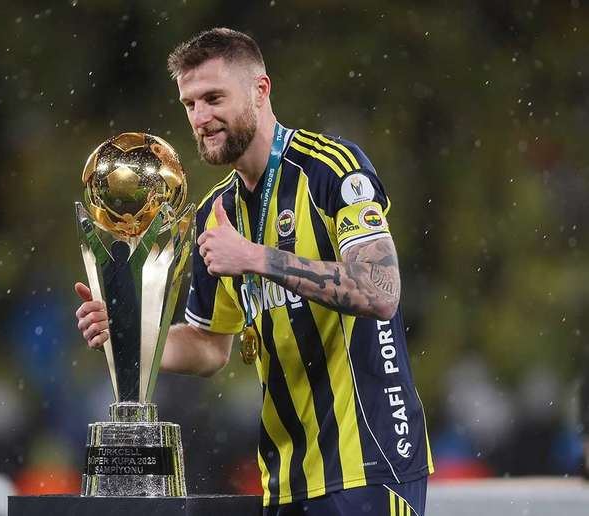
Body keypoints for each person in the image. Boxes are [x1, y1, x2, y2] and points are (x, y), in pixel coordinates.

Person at [75, 28, 433, 516]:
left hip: (369, 463)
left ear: (260, 91)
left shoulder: (332, 169)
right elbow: (209, 347)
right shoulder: (216, 211)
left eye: (213, 98)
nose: (200, 118)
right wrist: (127, 332)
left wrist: (255, 258)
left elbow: (381, 289)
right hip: (284, 477)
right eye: (189, 104)